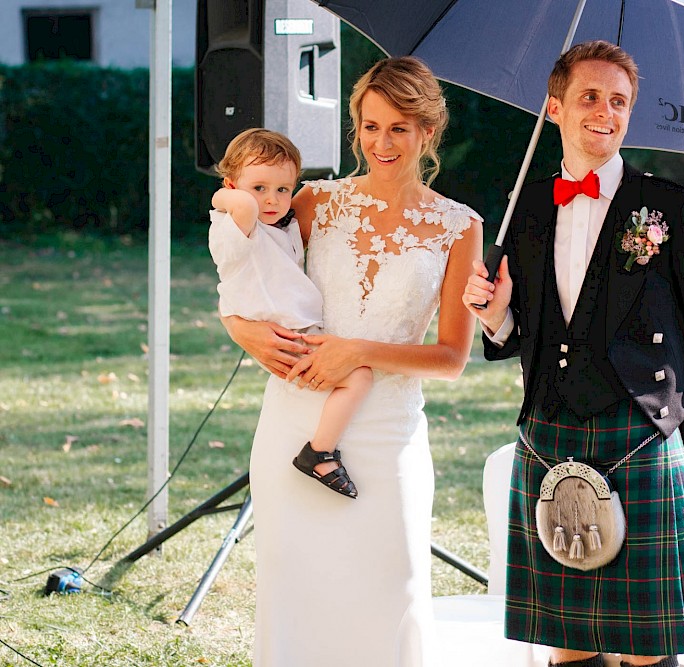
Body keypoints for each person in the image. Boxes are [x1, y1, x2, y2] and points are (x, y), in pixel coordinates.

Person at [463, 41, 684, 667]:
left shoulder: (672, 206)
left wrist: (664, 402)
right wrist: (493, 316)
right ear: (555, 106)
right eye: (589, 96)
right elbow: (518, 332)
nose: (605, 111)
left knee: (647, 644)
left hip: (640, 433)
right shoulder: (529, 206)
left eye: (618, 101)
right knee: (567, 641)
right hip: (548, 429)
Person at [221, 57, 483, 666]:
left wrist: (357, 352)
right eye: (369, 126)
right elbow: (244, 268)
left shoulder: (457, 227)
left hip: (386, 432)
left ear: (427, 131)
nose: (382, 142)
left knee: (391, 590)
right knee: (296, 593)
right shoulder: (313, 202)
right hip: (295, 419)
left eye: (399, 127)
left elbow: (451, 357)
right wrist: (239, 330)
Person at [209, 127, 369, 500]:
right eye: (259, 187)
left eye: (283, 189)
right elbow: (243, 207)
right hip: (287, 338)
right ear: (233, 187)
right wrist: (223, 196)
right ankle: (320, 452)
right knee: (358, 376)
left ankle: (321, 448)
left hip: (296, 330)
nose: (272, 199)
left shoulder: (277, 226)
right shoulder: (233, 225)